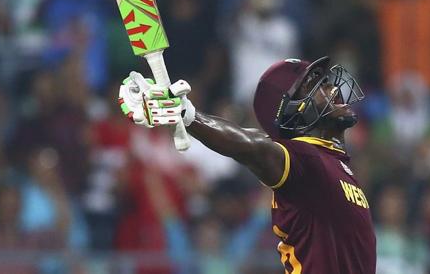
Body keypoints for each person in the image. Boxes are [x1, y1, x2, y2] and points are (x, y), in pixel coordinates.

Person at [117, 56, 376, 273]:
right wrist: (189, 115)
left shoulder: (332, 162)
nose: (333, 89)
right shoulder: (306, 159)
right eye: (315, 85)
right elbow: (254, 146)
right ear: (293, 111)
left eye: (325, 81)